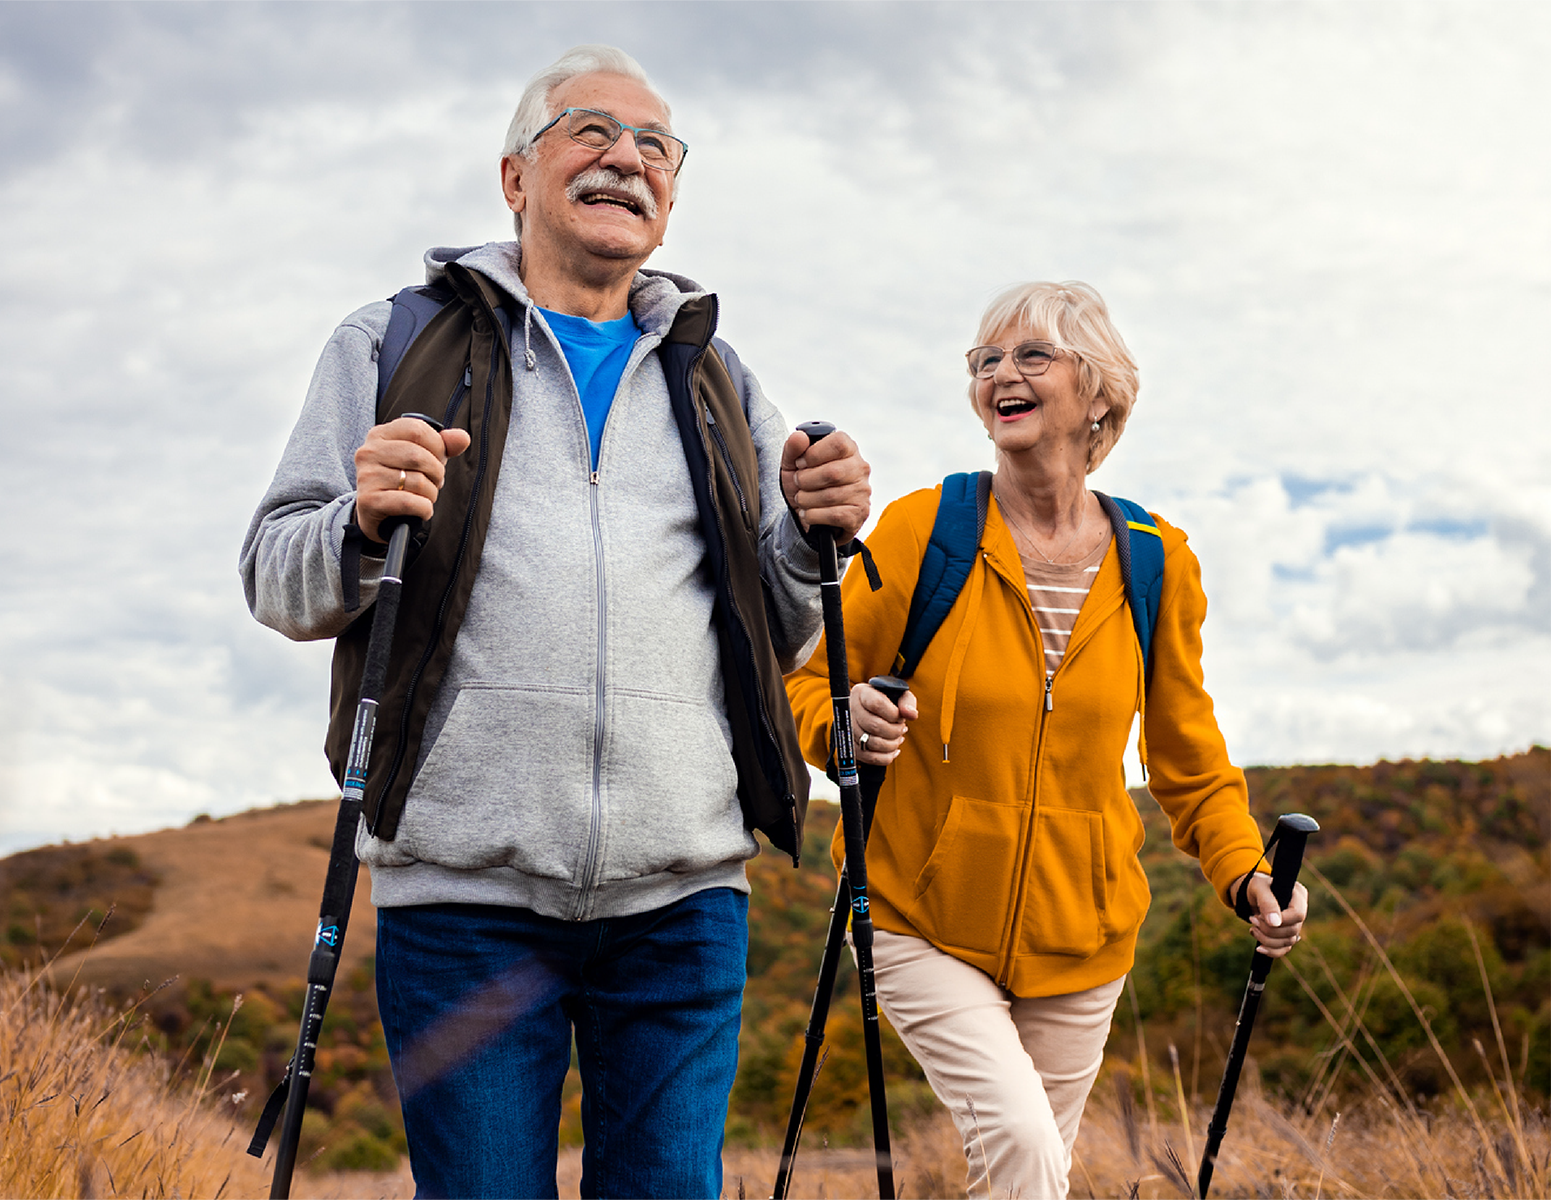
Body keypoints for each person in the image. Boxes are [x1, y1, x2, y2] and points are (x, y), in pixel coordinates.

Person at [239, 44, 870, 1199]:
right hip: (463, 896)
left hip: (682, 903)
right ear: (514, 177)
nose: (625, 158)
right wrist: (363, 523)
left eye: (655, 148)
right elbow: (277, 575)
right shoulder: (393, 343)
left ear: (669, 200)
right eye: (589, 130)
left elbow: (781, 635)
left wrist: (805, 537)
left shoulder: (716, 374)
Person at [784, 281, 1308, 1197]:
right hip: (918, 915)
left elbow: (1188, 756)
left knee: (1028, 1178)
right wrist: (845, 723)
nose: (1001, 376)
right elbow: (809, 683)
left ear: (1097, 389)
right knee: (1025, 1147)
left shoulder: (1157, 559)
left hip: (1083, 939)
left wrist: (1243, 870)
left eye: (1031, 355)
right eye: (985, 361)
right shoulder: (925, 531)